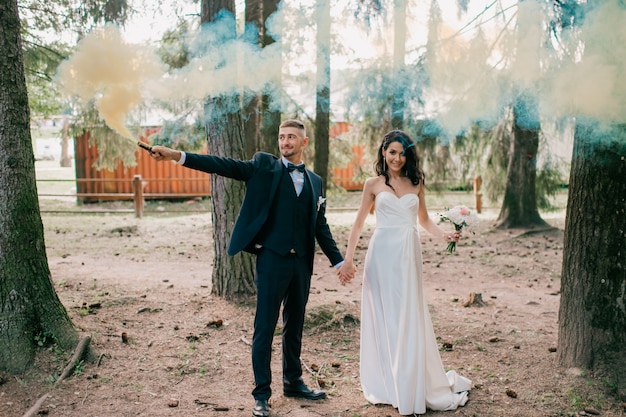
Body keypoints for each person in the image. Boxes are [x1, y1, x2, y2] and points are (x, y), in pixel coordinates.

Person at [150, 119, 345, 417]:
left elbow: (320, 226)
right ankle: (261, 394)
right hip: (272, 260)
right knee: (264, 328)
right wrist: (177, 155)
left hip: (301, 264)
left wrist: (339, 261)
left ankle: (293, 382)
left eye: (292, 137)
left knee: (295, 326)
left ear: (304, 142)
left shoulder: (316, 181)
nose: (285, 142)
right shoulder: (263, 167)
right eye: (282, 137)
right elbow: (221, 164)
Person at [337, 130, 471, 415]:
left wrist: (445, 235)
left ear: (408, 155)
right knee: (386, 316)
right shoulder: (372, 184)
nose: (397, 158)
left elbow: (423, 220)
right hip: (382, 255)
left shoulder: (416, 182)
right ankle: (390, 382)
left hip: (408, 255)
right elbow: (359, 223)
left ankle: (411, 381)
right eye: (392, 152)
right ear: (383, 152)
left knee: (407, 315)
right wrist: (348, 260)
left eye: (402, 153)